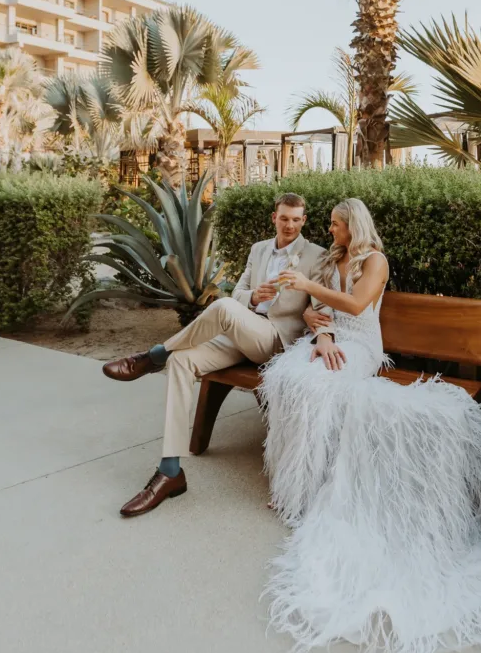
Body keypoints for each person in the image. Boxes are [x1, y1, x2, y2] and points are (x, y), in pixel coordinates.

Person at [259, 198, 481, 653]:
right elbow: (313, 311)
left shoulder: (375, 261)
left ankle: (314, 483)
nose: (330, 230)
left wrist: (315, 298)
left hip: (360, 345)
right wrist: (317, 329)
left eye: (336, 225)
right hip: (331, 340)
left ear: (352, 226)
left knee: (322, 387)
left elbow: (357, 305)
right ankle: (294, 480)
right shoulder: (330, 258)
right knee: (291, 378)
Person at [101, 192, 327, 517]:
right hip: (243, 330)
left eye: (296, 219)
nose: (289, 225)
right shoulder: (259, 249)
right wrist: (251, 297)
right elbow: (238, 291)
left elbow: (319, 306)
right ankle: (170, 471)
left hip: (274, 340)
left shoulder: (316, 257)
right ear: (273, 218)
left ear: (303, 220)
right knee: (183, 360)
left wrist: (319, 331)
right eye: (284, 218)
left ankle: (154, 355)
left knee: (221, 308)